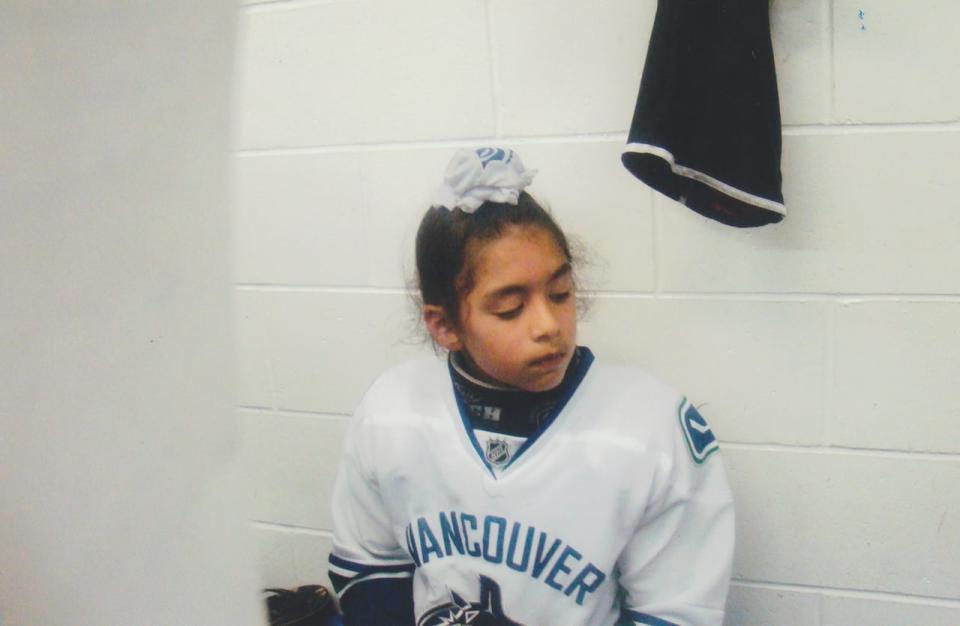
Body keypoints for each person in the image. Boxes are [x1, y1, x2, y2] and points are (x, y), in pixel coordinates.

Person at [328, 147, 735, 626]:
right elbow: (367, 572)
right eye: (509, 308)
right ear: (444, 325)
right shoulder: (391, 411)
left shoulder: (654, 428)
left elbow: (676, 613)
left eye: (560, 294)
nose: (549, 325)